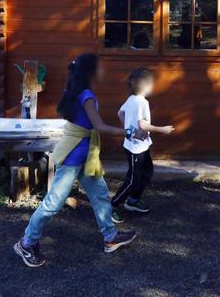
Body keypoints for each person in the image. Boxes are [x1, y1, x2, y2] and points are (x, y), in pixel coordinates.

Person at [13, 53, 137, 268]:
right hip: (74, 156)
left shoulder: (72, 90)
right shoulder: (86, 94)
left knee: (99, 196)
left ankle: (110, 237)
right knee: (53, 203)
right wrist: (128, 131)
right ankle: (26, 242)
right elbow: (99, 126)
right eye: (100, 68)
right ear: (91, 72)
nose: (103, 71)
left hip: (84, 156)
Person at [111, 68, 175, 217]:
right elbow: (143, 126)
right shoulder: (142, 102)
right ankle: (113, 205)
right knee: (133, 179)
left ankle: (133, 200)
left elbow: (120, 113)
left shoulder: (131, 98)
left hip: (141, 146)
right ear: (146, 86)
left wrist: (129, 129)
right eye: (152, 83)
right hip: (135, 148)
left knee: (146, 173)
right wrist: (162, 129)